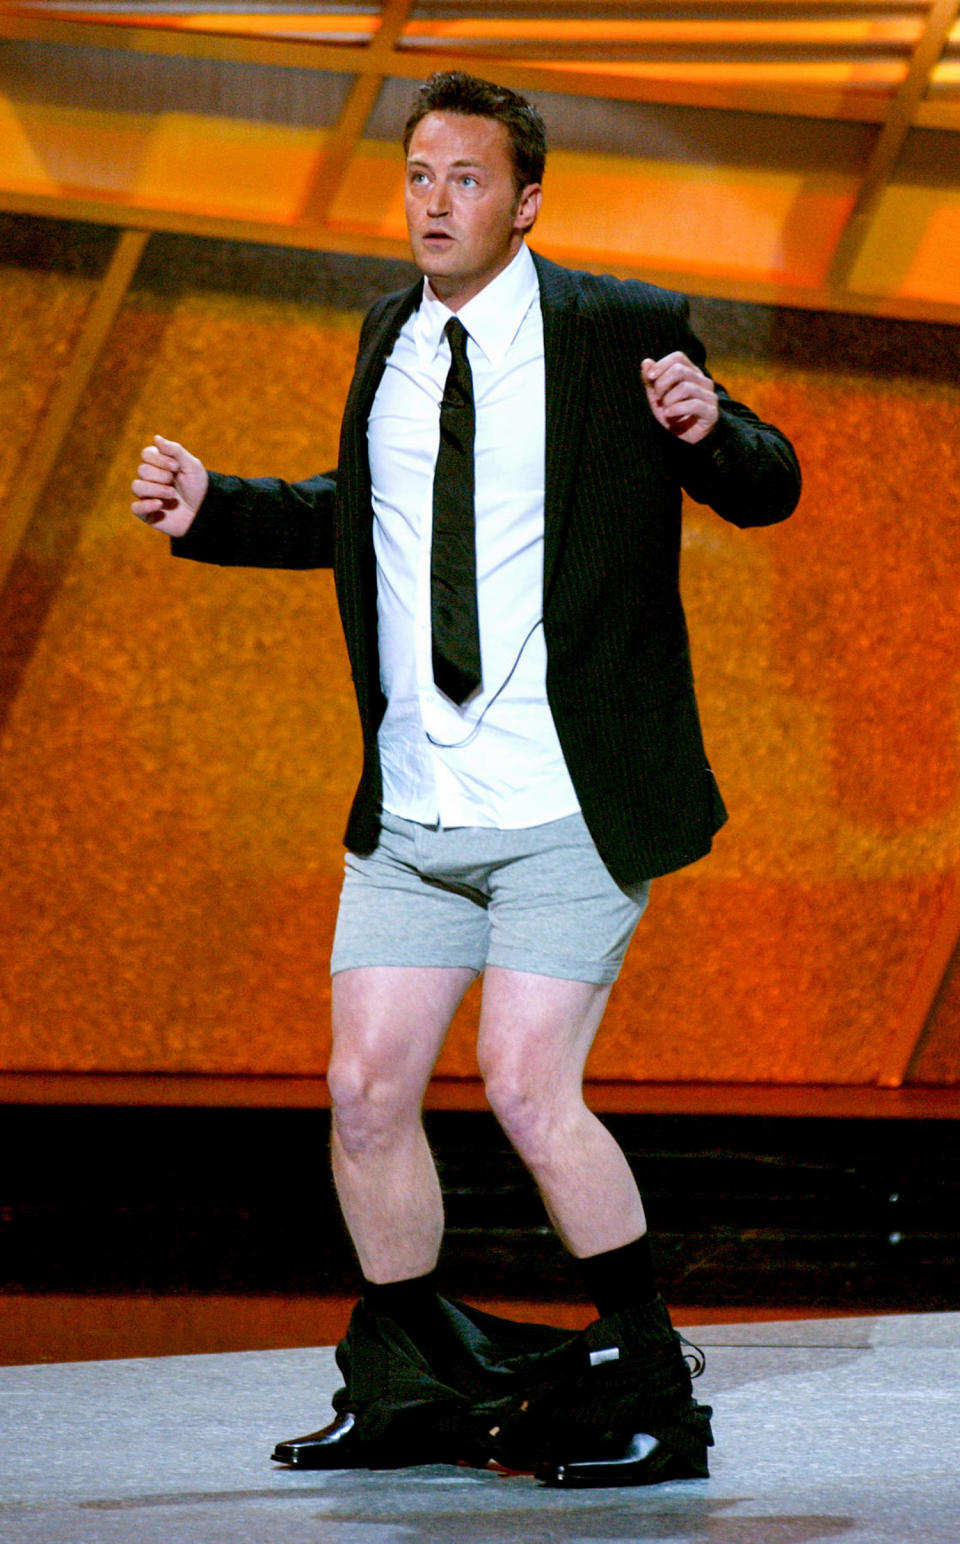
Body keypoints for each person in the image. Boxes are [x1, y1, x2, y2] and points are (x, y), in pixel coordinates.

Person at [131, 71, 800, 1487]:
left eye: (467, 180)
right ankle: (410, 1388)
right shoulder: (390, 333)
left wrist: (703, 428)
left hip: (565, 803)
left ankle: (651, 1390)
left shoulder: (618, 326)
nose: (436, 203)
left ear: (528, 200)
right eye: (420, 177)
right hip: (418, 808)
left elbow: (766, 479)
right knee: (365, 1090)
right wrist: (217, 513)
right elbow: (359, 520)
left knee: (524, 1087)